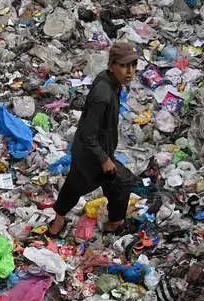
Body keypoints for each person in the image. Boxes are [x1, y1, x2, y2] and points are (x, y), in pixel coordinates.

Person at [47, 42, 139, 237]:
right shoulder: (104, 96)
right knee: (122, 183)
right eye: (124, 66)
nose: (130, 72)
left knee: (79, 184)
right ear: (112, 66)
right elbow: (88, 133)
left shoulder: (108, 81)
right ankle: (114, 223)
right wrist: (104, 158)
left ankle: (58, 222)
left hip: (90, 151)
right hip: (93, 155)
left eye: (133, 65)